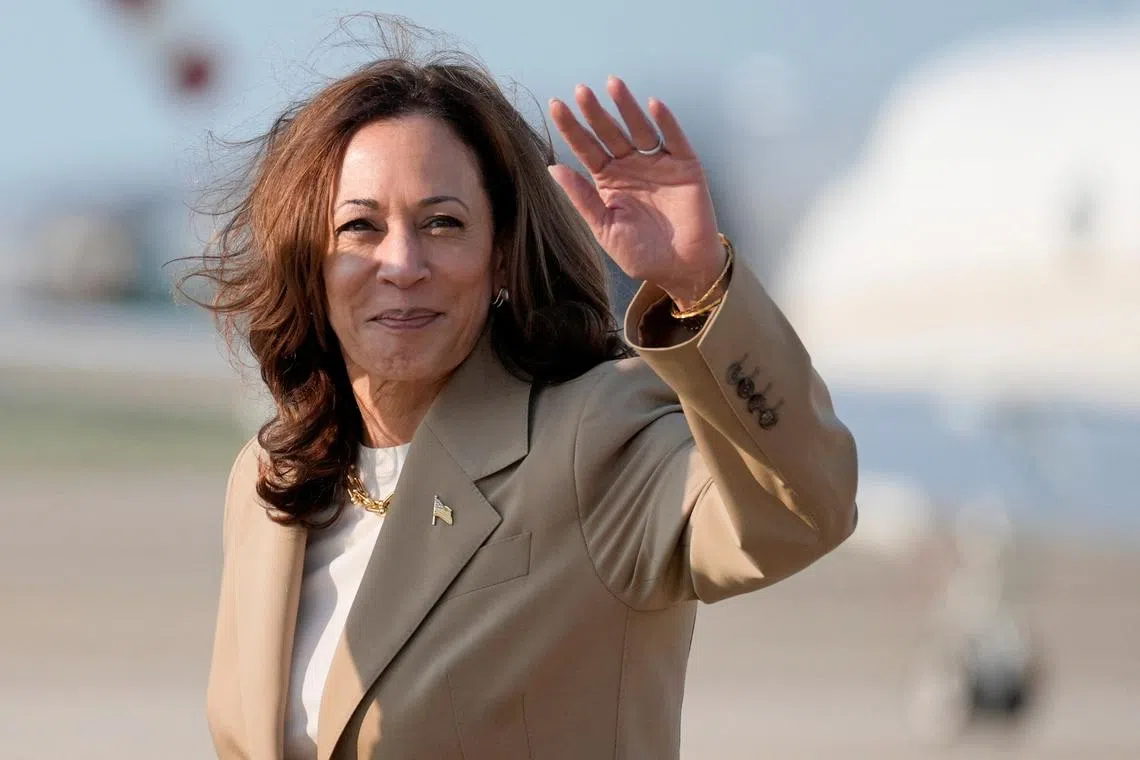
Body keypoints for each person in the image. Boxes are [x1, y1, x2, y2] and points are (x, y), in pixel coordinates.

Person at [192, 24, 858, 760]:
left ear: (501, 253)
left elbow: (802, 511)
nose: (403, 262)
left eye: (443, 223)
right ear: (308, 261)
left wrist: (700, 288)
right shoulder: (269, 484)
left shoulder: (592, 437)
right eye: (360, 227)